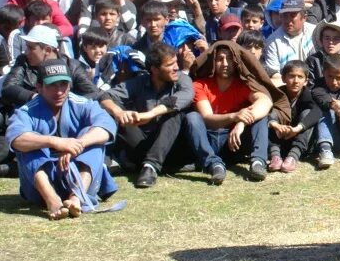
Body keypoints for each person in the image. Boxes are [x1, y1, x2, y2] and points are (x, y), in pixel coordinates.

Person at [5, 59, 118, 219]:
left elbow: (107, 127)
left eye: (63, 84)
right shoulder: (26, 111)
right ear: (39, 87)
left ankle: (76, 198)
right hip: (40, 185)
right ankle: (53, 201)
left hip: (79, 177)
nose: (59, 92)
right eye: (52, 85)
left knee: (92, 136)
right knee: (29, 143)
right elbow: (16, 138)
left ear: (70, 85)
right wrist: (55, 141)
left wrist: (77, 144)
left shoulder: (83, 104)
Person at [186, 41, 283, 184]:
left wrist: (241, 122)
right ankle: (213, 164)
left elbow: (266, 101)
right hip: (208, 139)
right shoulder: (200, 85)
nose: (225, 64)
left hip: (233, 143)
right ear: (213, 62)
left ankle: (257, 162)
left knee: (260, 117)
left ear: (236, 61)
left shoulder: (243, 85)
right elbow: (207, 118)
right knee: (192, 117)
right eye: (220, 59)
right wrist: (234, 116)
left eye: (229, 59)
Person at [99, 41, 193, 188]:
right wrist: (119, 112)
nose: (176, 68)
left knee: (175, 114)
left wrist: (149, 114)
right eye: (169, 65)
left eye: (176, 62)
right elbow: (104, 96)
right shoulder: (139, 82)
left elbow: (185, 97)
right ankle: (107, 163)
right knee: (112, 113)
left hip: (171, 146)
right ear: (154, 70)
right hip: (143, 142)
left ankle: (150, 167)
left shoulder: (182, 80)